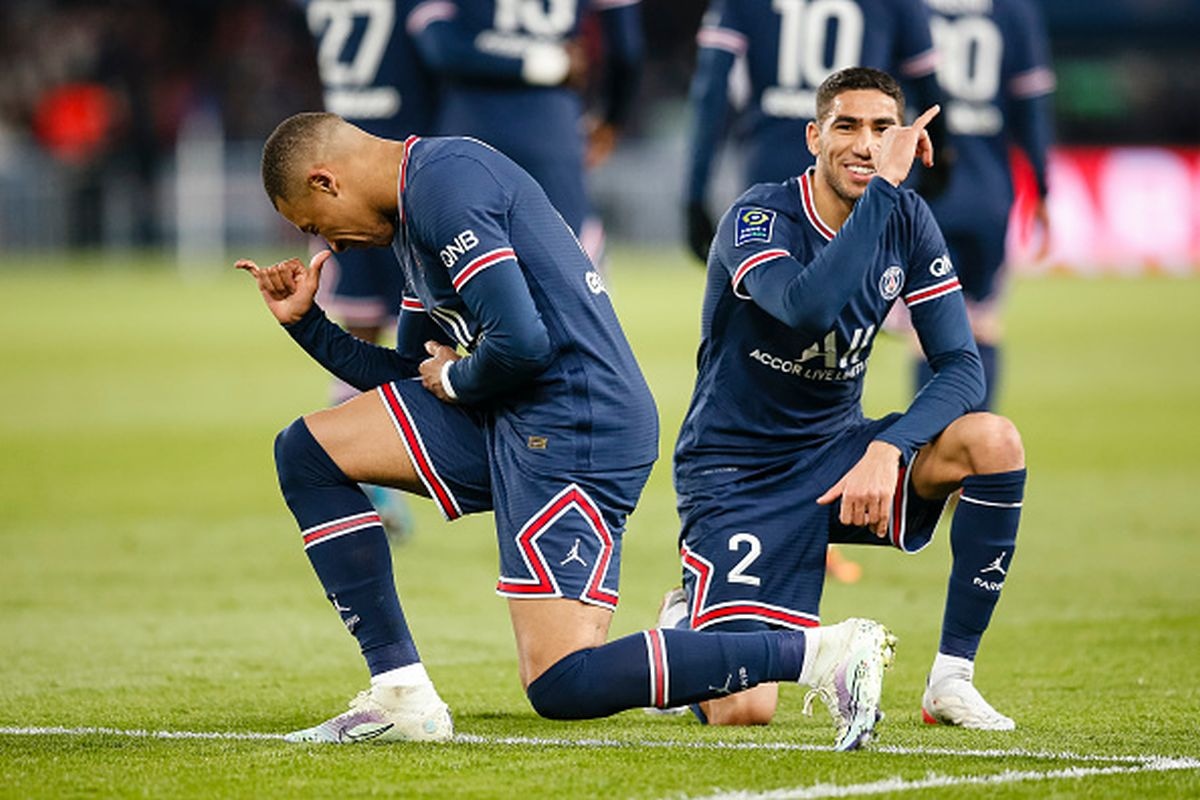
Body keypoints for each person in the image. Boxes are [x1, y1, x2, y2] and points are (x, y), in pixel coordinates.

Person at [235, 112, 897, 749]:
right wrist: (308, 325)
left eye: (315, 225)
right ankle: (400, 693)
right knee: (308, 450)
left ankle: (820, 652)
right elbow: (416, 374)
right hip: (518, 414)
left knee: (562, 681)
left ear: (327, 181)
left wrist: (460, 381)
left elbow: (523, 343)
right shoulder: (414, 211)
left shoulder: (447, 184)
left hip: (577, 424)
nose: (329, 243)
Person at [668, 67, 1027, 730]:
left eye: (882, 129)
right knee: (745, 711)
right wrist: (886, 190)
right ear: (813, 137)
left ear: (904, 137)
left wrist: (890, 446)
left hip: (840, 455)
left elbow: (961, 368)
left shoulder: (909, 221)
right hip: (738, 473)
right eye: (847, 126)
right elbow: (808, 309)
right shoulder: (758, 218)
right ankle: (690, 617)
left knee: (993, 441)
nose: (866, 144)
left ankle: (951, 679)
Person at [304, 0, 441, 536]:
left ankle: (363, 479)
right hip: (395, 165)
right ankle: (376, 474)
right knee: (418, 323)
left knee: (360, 333)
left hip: (338, 159)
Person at [683, 0, 950, 265]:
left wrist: (695, 193)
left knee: (771, 294)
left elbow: (711, 94)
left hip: (769, 174)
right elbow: (928, 87)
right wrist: (938, 160)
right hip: (856, 177)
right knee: (856, 299)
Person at [406, 0, 643, 259]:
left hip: (467, 129)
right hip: (551, 130)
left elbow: (442, 47)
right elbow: (626, 51)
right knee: (570, 276)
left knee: (464, 272)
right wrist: (609, 121)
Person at [913, 0, 1055, 409]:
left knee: (925, 331)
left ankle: (933, 452)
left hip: (925, 191)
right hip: (989, 194)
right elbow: (1032, 110)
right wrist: (1043, 191)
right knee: (984, 321)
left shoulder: (909, 8)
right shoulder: (1014, 11)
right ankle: (978, 453)